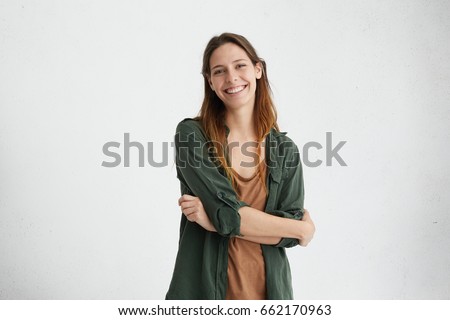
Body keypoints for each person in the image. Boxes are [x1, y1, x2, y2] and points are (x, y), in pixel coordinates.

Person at [166, 32, 315, 300]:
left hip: (271, 296)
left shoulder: (285, 151)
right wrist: (301, 229)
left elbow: (287, 234)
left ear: (258, 69)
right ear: (210, 82)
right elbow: (229, 213)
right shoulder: (192, 135)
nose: (232, 78)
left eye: (240, 65)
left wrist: (214, 222)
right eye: (219, 71)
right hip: (204, 296)